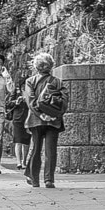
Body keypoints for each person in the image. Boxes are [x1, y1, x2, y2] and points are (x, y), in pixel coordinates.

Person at [23, 52, 66, 189]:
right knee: (50, 150)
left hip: (36, 119)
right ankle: (49, 179)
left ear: (36, 67)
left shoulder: (30, 81)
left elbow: (30, 100)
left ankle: (35, 179)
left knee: (35, 148)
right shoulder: (58, 82)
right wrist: (55, 114)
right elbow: (64, 102)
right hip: (53, 120)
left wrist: (41, 115)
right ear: (51, 66)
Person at [9, 74, 31, 173]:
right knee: (18, 140)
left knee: (26, 141)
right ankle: (18, 161)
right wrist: (15, 102)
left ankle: (24, 161)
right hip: (17, 119)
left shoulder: (31, 92)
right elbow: (8, 103)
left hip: (28, 118)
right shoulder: (16, 92)